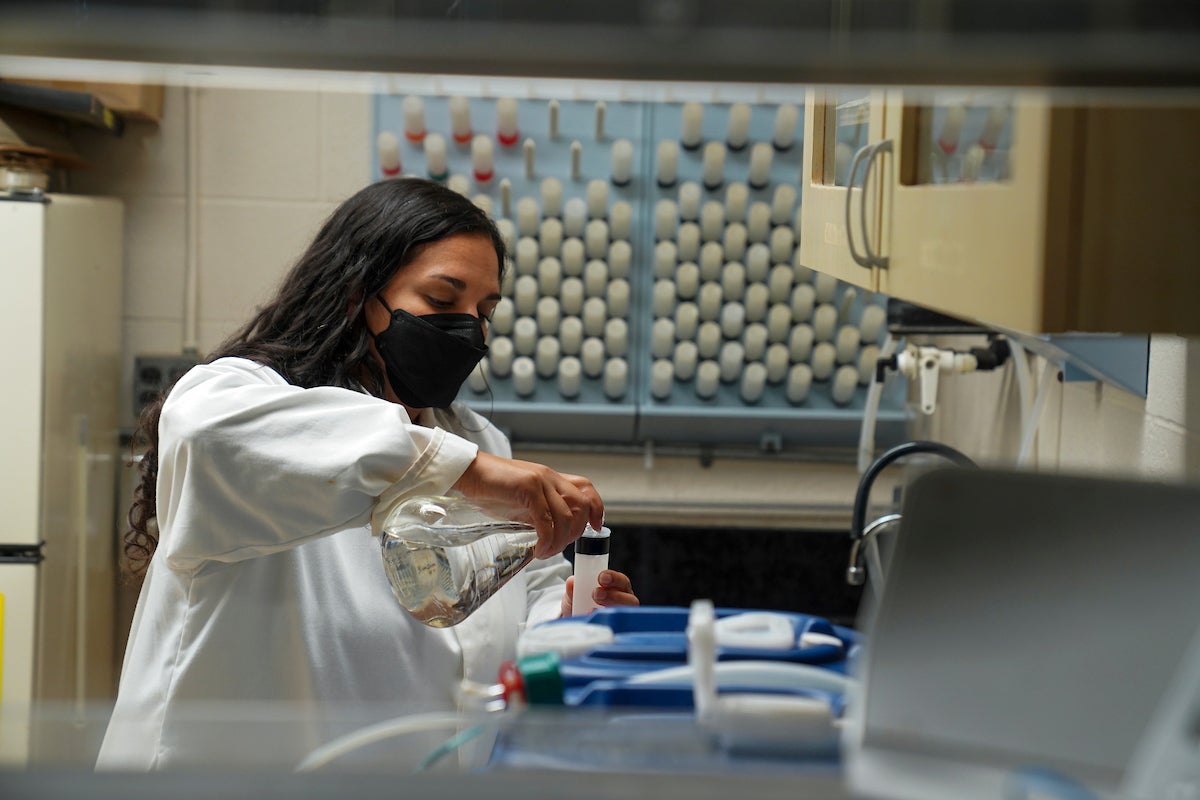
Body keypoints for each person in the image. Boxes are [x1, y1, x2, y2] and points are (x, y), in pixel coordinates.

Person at [97, 177, 639, 771]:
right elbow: (207, 434)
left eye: (483, 312)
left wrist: (565, 624)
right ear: (358, 294)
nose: (469, 330)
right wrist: (463, 474)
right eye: (441, 300)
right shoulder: (246, 398)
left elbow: (521, 601)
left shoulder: (477, 442)